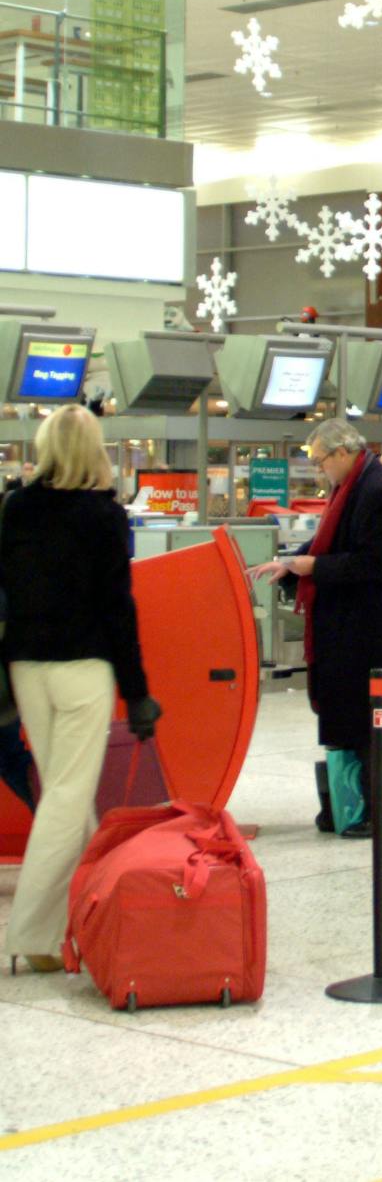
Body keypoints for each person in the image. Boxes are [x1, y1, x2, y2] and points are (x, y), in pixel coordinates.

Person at [0, 406, 161, 973]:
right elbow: (118, 608)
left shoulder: (15, 507)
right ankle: (32, 933)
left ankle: (85, 915)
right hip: (82, 668)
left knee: (64, 793)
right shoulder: (103, 516)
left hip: (26, 667)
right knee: (68, 796)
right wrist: (137, 691)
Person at [249, 419, 382, 836]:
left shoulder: (377, 489)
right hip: (344, 629)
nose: (319, 471)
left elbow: (371, 562)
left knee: (367, 728)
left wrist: (313, 567)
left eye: (320, 462)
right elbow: (327, 541)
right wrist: (289, 562)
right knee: (345, 722)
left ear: (342, 453)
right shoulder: (350, 486)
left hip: (367, 631)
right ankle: (345, 805)